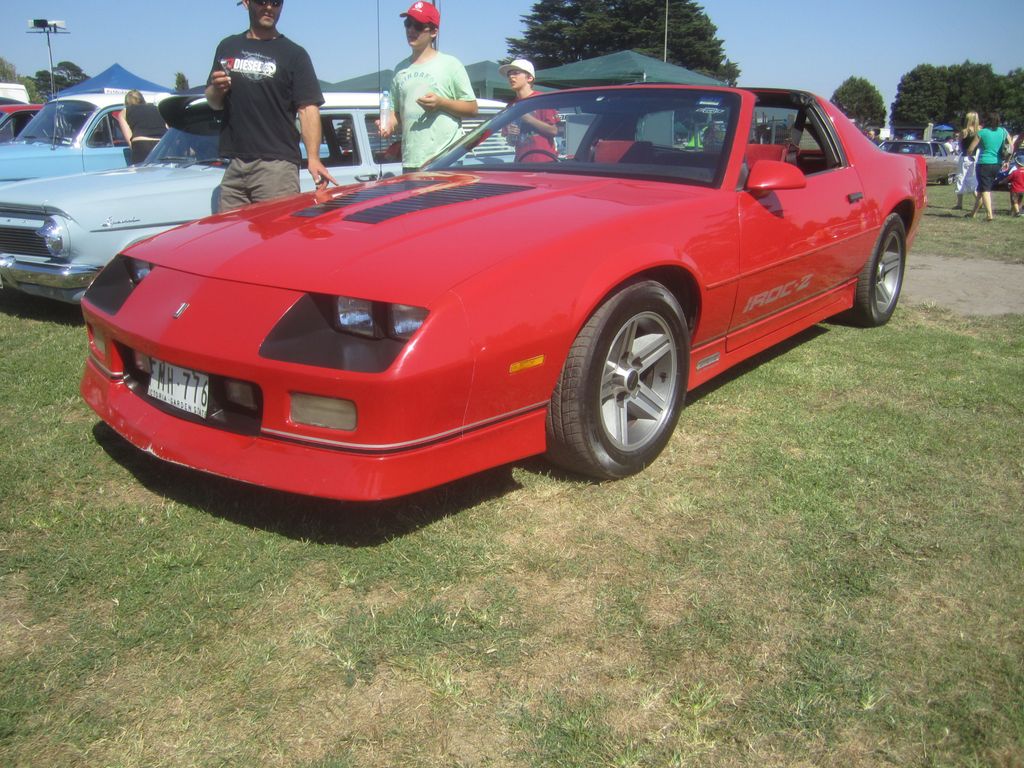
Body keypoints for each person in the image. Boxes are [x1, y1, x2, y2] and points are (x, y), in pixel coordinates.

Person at [205, 0, 336, 212]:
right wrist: (216, 89)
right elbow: (213, 102)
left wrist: (313, 158)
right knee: (230, 240)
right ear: (247, 3)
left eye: (276, 3)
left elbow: (308, 108)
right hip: (235, 164)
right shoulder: (227, 46)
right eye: (262, 1)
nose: (269, 8)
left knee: (276, 240)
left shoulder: (294, 54)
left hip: (277, 167)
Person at [380, 2, 478, 173]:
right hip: (411, 161)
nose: (411, 30)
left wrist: (441, 103)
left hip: (446, 161)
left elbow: (472, 108)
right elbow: (396, 113)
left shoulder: (451, 64)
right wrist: (388, 124)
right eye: (407, 24)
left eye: (418, 25)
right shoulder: (399, 69)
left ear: (433, 32)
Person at [498, 58, 558, 162]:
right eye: (509, 75)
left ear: (529, 78)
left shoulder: (542, 100)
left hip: (544, 162)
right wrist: (511, 135)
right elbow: (510, 142)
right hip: (521, 162)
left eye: (516, 73)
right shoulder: (511, 106)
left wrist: (528, 119)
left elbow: (553, 131)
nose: (511, 77)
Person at [967, 111, 1013, 221]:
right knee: (981, 188)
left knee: (985, 190)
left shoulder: (982, 132)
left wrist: (970, 155)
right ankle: (973, 213)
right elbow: (1010, 147)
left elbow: (970, 149)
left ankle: (989, 215)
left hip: (984, 163)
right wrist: (1007, 160)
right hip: (997, 163)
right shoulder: (1003, 131)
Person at [115, 90, 167, 165]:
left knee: (142, 174)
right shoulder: (157, 109)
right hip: (161, 143)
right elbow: (166, 128)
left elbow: (129, 139)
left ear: (126, 103)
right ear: (142, 99)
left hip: (141, 144)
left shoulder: (124, 112)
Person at [953, 111, 980, 210]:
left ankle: (959, 203)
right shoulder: (979, 131)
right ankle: (978, 199)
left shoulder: (964, 131)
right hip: (975, 158)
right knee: (972, 178)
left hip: (965, 157)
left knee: (960, 178)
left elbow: (960, 145)